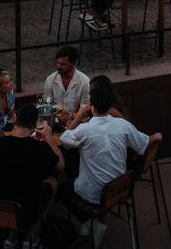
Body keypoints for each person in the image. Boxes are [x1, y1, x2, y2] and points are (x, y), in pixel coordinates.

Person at [60, 85, 161, 234]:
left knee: (62, 188)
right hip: (120, 188)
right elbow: (143, 142)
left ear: (92, 108)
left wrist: (80, 115)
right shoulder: (123, 125)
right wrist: (157, 137)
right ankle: (92, 221)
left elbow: (64, 139)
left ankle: (87, 220)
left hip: (95, 195)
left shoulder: (85, 130)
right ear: (109, 106)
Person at [0, 102, 64, 247]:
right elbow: (61, 166)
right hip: (29, 207)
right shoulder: (40, 149)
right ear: (34, 125)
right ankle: (32, 235)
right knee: (53, 181)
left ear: (14, 119)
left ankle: (11, 237)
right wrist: (49, 137)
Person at [43, 45, 91, 121]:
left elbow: (85, 111)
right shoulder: (50, 80)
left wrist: (70, 116)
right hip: (55, 121)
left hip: (77, 122)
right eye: (57, 63)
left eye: (63, 64)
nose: (59, 66)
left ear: (73, 63)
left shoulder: (84, 82)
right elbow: (47, 106)